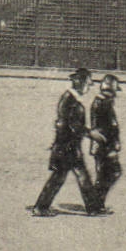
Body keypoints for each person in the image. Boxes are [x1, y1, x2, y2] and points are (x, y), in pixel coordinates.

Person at [29, 68, 96, 217]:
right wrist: (91, 134)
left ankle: (94, 207)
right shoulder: (69, 100)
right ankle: (41, 208)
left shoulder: (71, 98)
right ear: (79, 83)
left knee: (76, 176)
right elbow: (72, 125)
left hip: (69, 145)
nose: (88, 88)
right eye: (87, 84)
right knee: (66, 176)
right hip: (67, 146)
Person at [87, 74, 123, 215]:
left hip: (101, 144)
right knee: (111, 172)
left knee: (105, 174)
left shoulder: (100, 102)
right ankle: (96, 204)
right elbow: (109, 127)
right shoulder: (104, 103)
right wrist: (114, 145)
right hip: (105, 145)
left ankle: (96, 203)